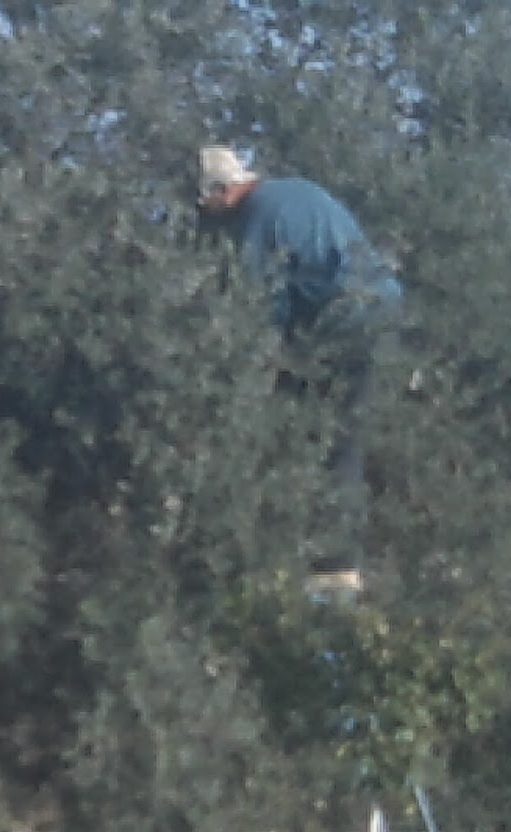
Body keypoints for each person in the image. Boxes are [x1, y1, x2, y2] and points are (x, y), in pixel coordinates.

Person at [196, 146, 402, 594]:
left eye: (206, 207)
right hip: (378, 310)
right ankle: (328, 556)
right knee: (341, 435)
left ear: (221, 192)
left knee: (322, 436)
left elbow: (256, 307)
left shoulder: (254, 218)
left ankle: (330, 567)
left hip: (341, 323)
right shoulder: (296, 191)